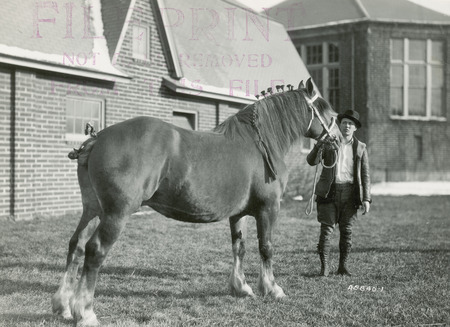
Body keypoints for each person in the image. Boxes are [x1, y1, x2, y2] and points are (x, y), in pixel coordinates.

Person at [306, 110, 371, 277]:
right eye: (344, 123)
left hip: (351, 194)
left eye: (351, 124)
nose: (347, 126)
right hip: (329, 192)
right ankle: (325, 267)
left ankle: (343, 266)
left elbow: (365, 175)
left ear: (355, 128)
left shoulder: (361, 148)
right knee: (326, 231)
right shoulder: (330, 142)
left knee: (347, 231)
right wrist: (320, 144)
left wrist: (366, 199)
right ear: (339, 125)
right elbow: (311, 161)